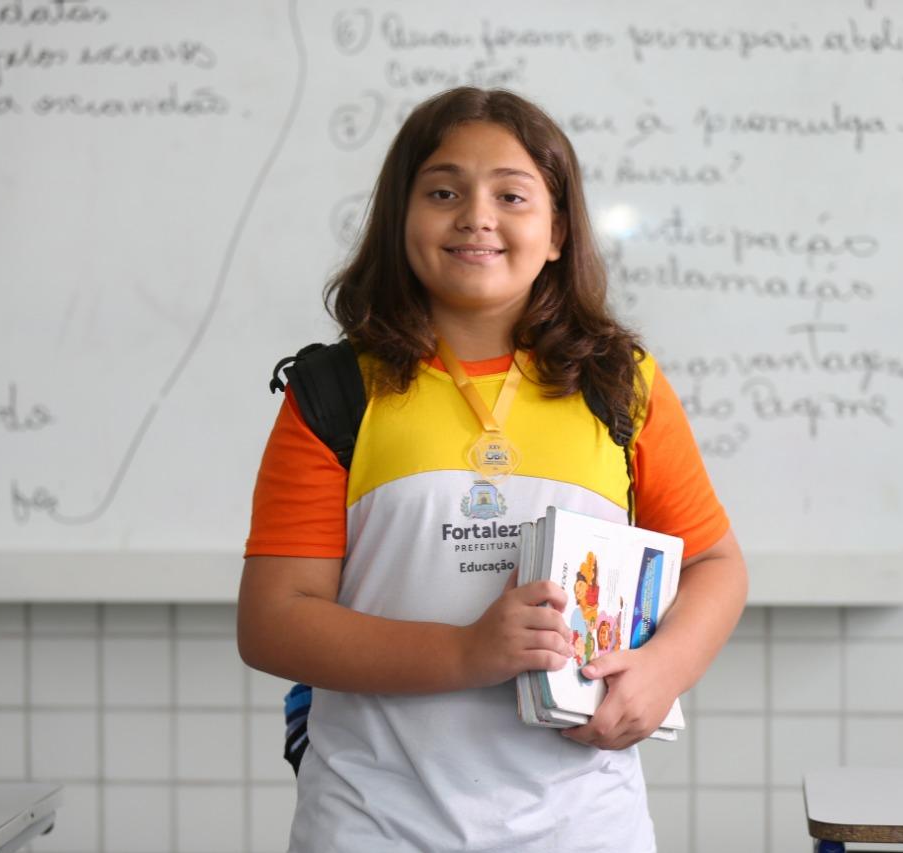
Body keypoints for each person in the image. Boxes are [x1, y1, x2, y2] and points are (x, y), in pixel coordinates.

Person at [238, 86, 748, 853]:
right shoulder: (334, 392)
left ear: (557, 232)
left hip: (584, 827)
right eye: (443, 192)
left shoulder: (621, 384)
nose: (476, 216)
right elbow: (274, 619)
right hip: (374, 822)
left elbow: (715, 564)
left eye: (511, 195)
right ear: (400, 219)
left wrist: (667, 668)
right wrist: (466, 652)